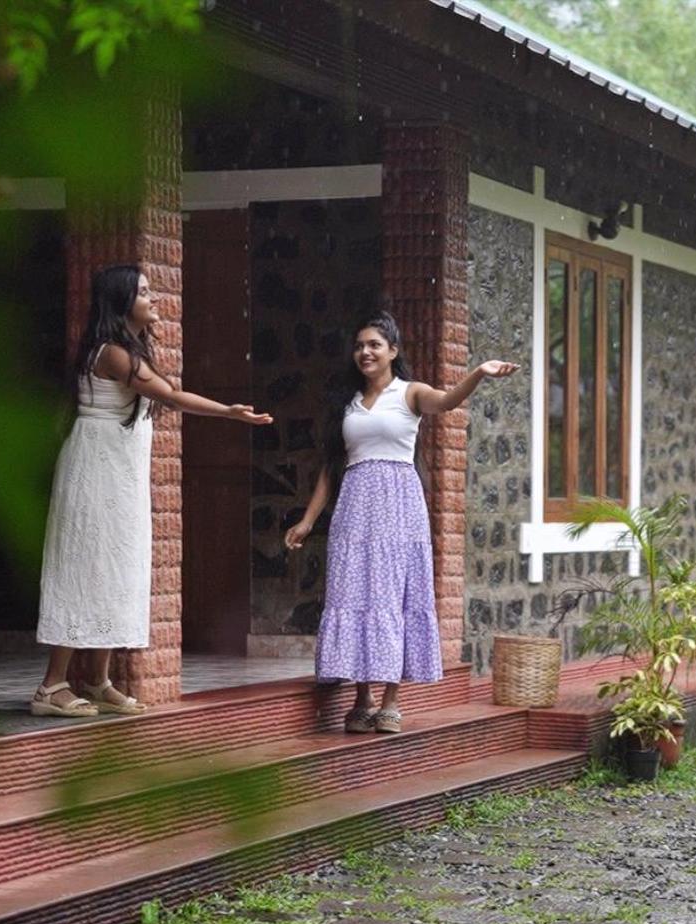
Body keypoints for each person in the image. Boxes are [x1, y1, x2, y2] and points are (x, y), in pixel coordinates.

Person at [33, 264, 272, 718]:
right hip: (97, 468)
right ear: (123, 302)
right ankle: (51, 686)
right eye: (144, 292)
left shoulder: (126, 349)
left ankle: (98, 679)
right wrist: (229, 412)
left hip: (119, 472)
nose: (153, 298)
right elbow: (171, 396)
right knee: (87, 565)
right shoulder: (114, 354)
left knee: (115, 565)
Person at [285, 312, 518, 733]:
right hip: (354, 509)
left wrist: (479, 373)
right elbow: (330, 467)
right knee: (354, 594)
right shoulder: (348, 404)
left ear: (393, 351)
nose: (365, 352)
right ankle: (362, 695)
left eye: (374, 344)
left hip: (398, 507)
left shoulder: (410, 393)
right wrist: (306, 521)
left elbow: (447, 402)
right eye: (359, 346)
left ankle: (391, 699)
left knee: (394, 597)